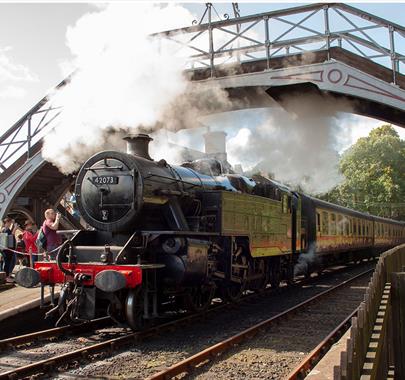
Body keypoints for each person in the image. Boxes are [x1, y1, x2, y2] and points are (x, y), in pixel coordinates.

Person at [1, 217, 18, 282]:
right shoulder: (4, 229)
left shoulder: (7, 229)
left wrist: (13, 225)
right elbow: (10, 236)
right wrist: (15, 228)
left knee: (10, 263)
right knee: (7, 263)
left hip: (9, 250)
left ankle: (8, 275)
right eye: (9, 222)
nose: (10, 224)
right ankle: (6, 277)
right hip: (7, 250)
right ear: (6, 223)